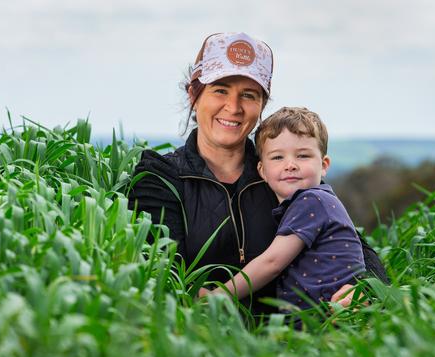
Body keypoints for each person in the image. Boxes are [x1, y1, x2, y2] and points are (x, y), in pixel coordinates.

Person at [128, 32, 387, 316]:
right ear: (194, 94)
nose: (234, 107)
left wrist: (365, 287)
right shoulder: (161, 176)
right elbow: (163, 270)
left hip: (290, 340)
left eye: (249, 95)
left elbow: (350, 242)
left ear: (262, 105)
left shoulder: (282, 174)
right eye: (220, 90)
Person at [199, 107, 367, 315]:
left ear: (324, 165)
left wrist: (217, 297)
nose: (290, 165)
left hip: (325, 319)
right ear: (262, 170)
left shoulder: (311, 201)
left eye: (303, 156)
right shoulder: (311, 202)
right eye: (278, 158)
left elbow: (271, 263)